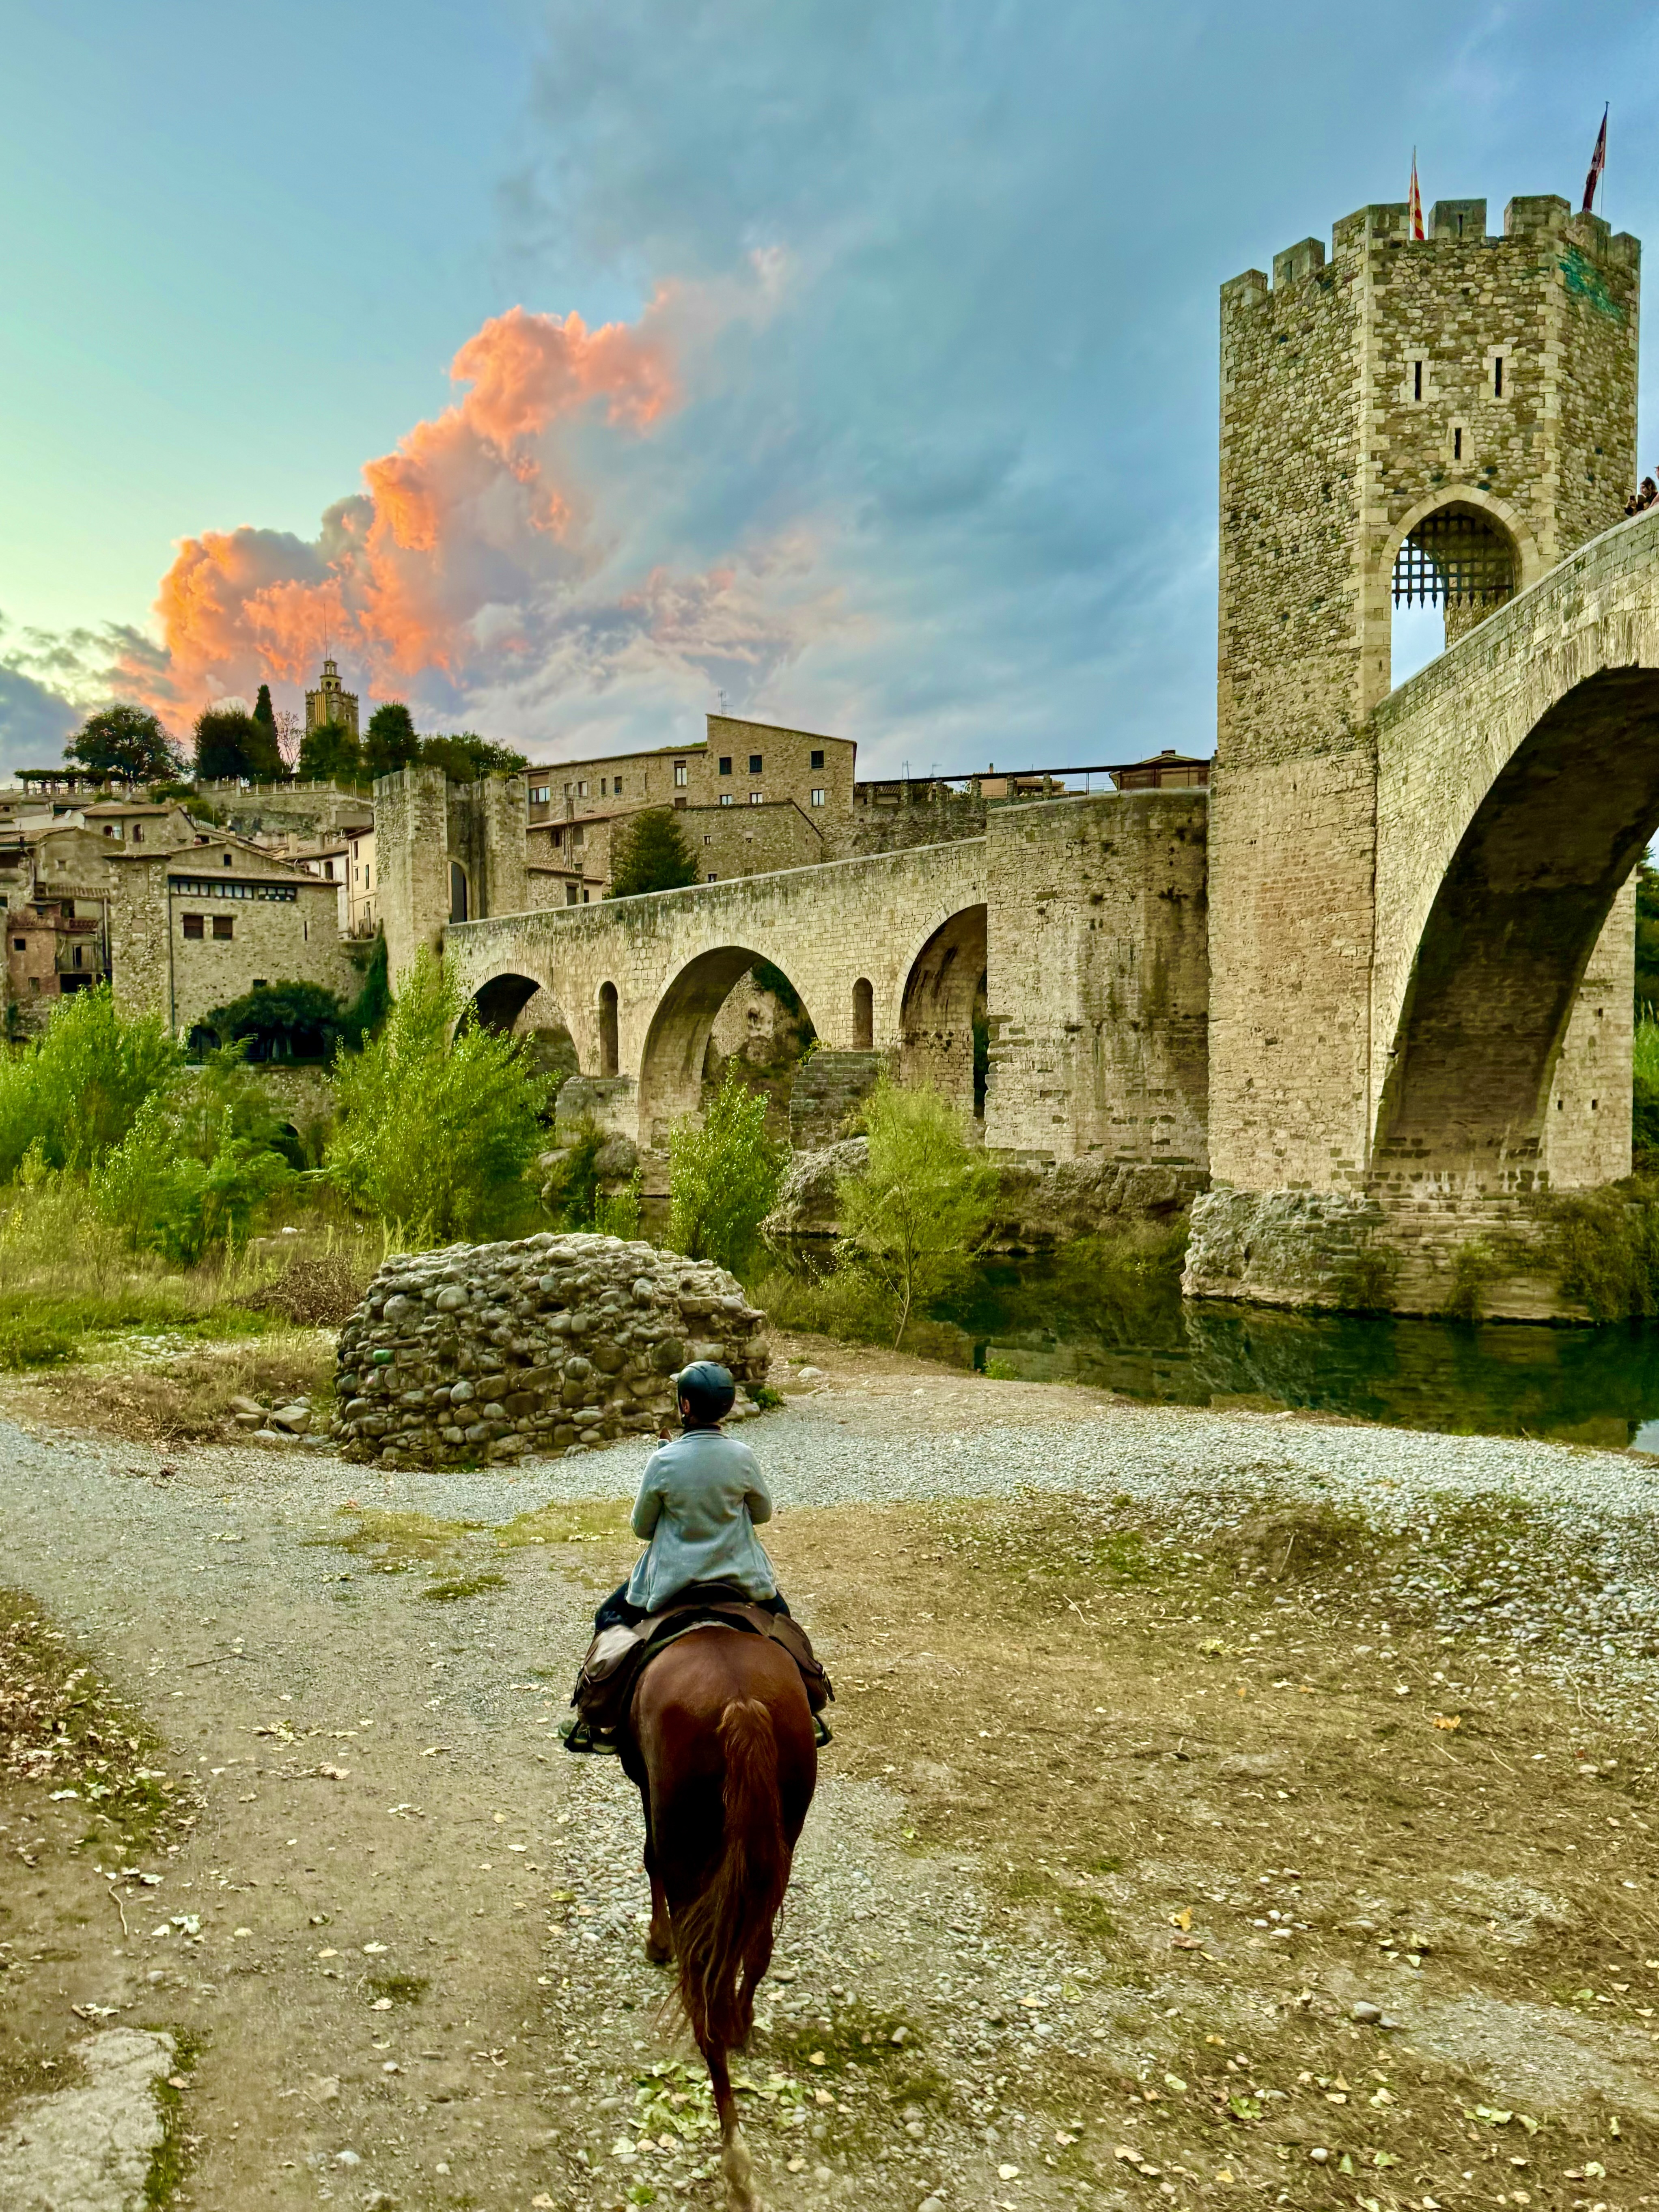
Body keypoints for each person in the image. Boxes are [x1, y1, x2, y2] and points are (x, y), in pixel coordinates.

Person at [591, 1359, 790, 1633]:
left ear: (685, 1406)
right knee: (786, 1628)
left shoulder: (663, 1460)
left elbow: (642, 1528)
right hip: (741, 1577)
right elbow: (763, 1513)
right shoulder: (744, 1456)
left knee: (607, 1615)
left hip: (673, 1581)